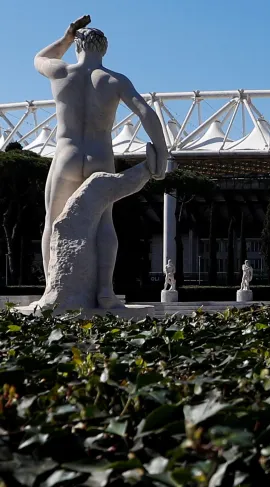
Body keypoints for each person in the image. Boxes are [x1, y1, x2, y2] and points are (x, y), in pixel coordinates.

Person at [34, 15, 169, 308]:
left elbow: (39, 58)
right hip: (100, 155)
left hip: (67, 155)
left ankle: (50, 292)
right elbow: (145, 112)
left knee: (52, 222)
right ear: (104, 49)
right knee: (105, 222)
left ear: (77, 46)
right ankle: (106, 291)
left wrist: (66, 36)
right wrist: (162, 152)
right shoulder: (114, 80)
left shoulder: (60, 72)